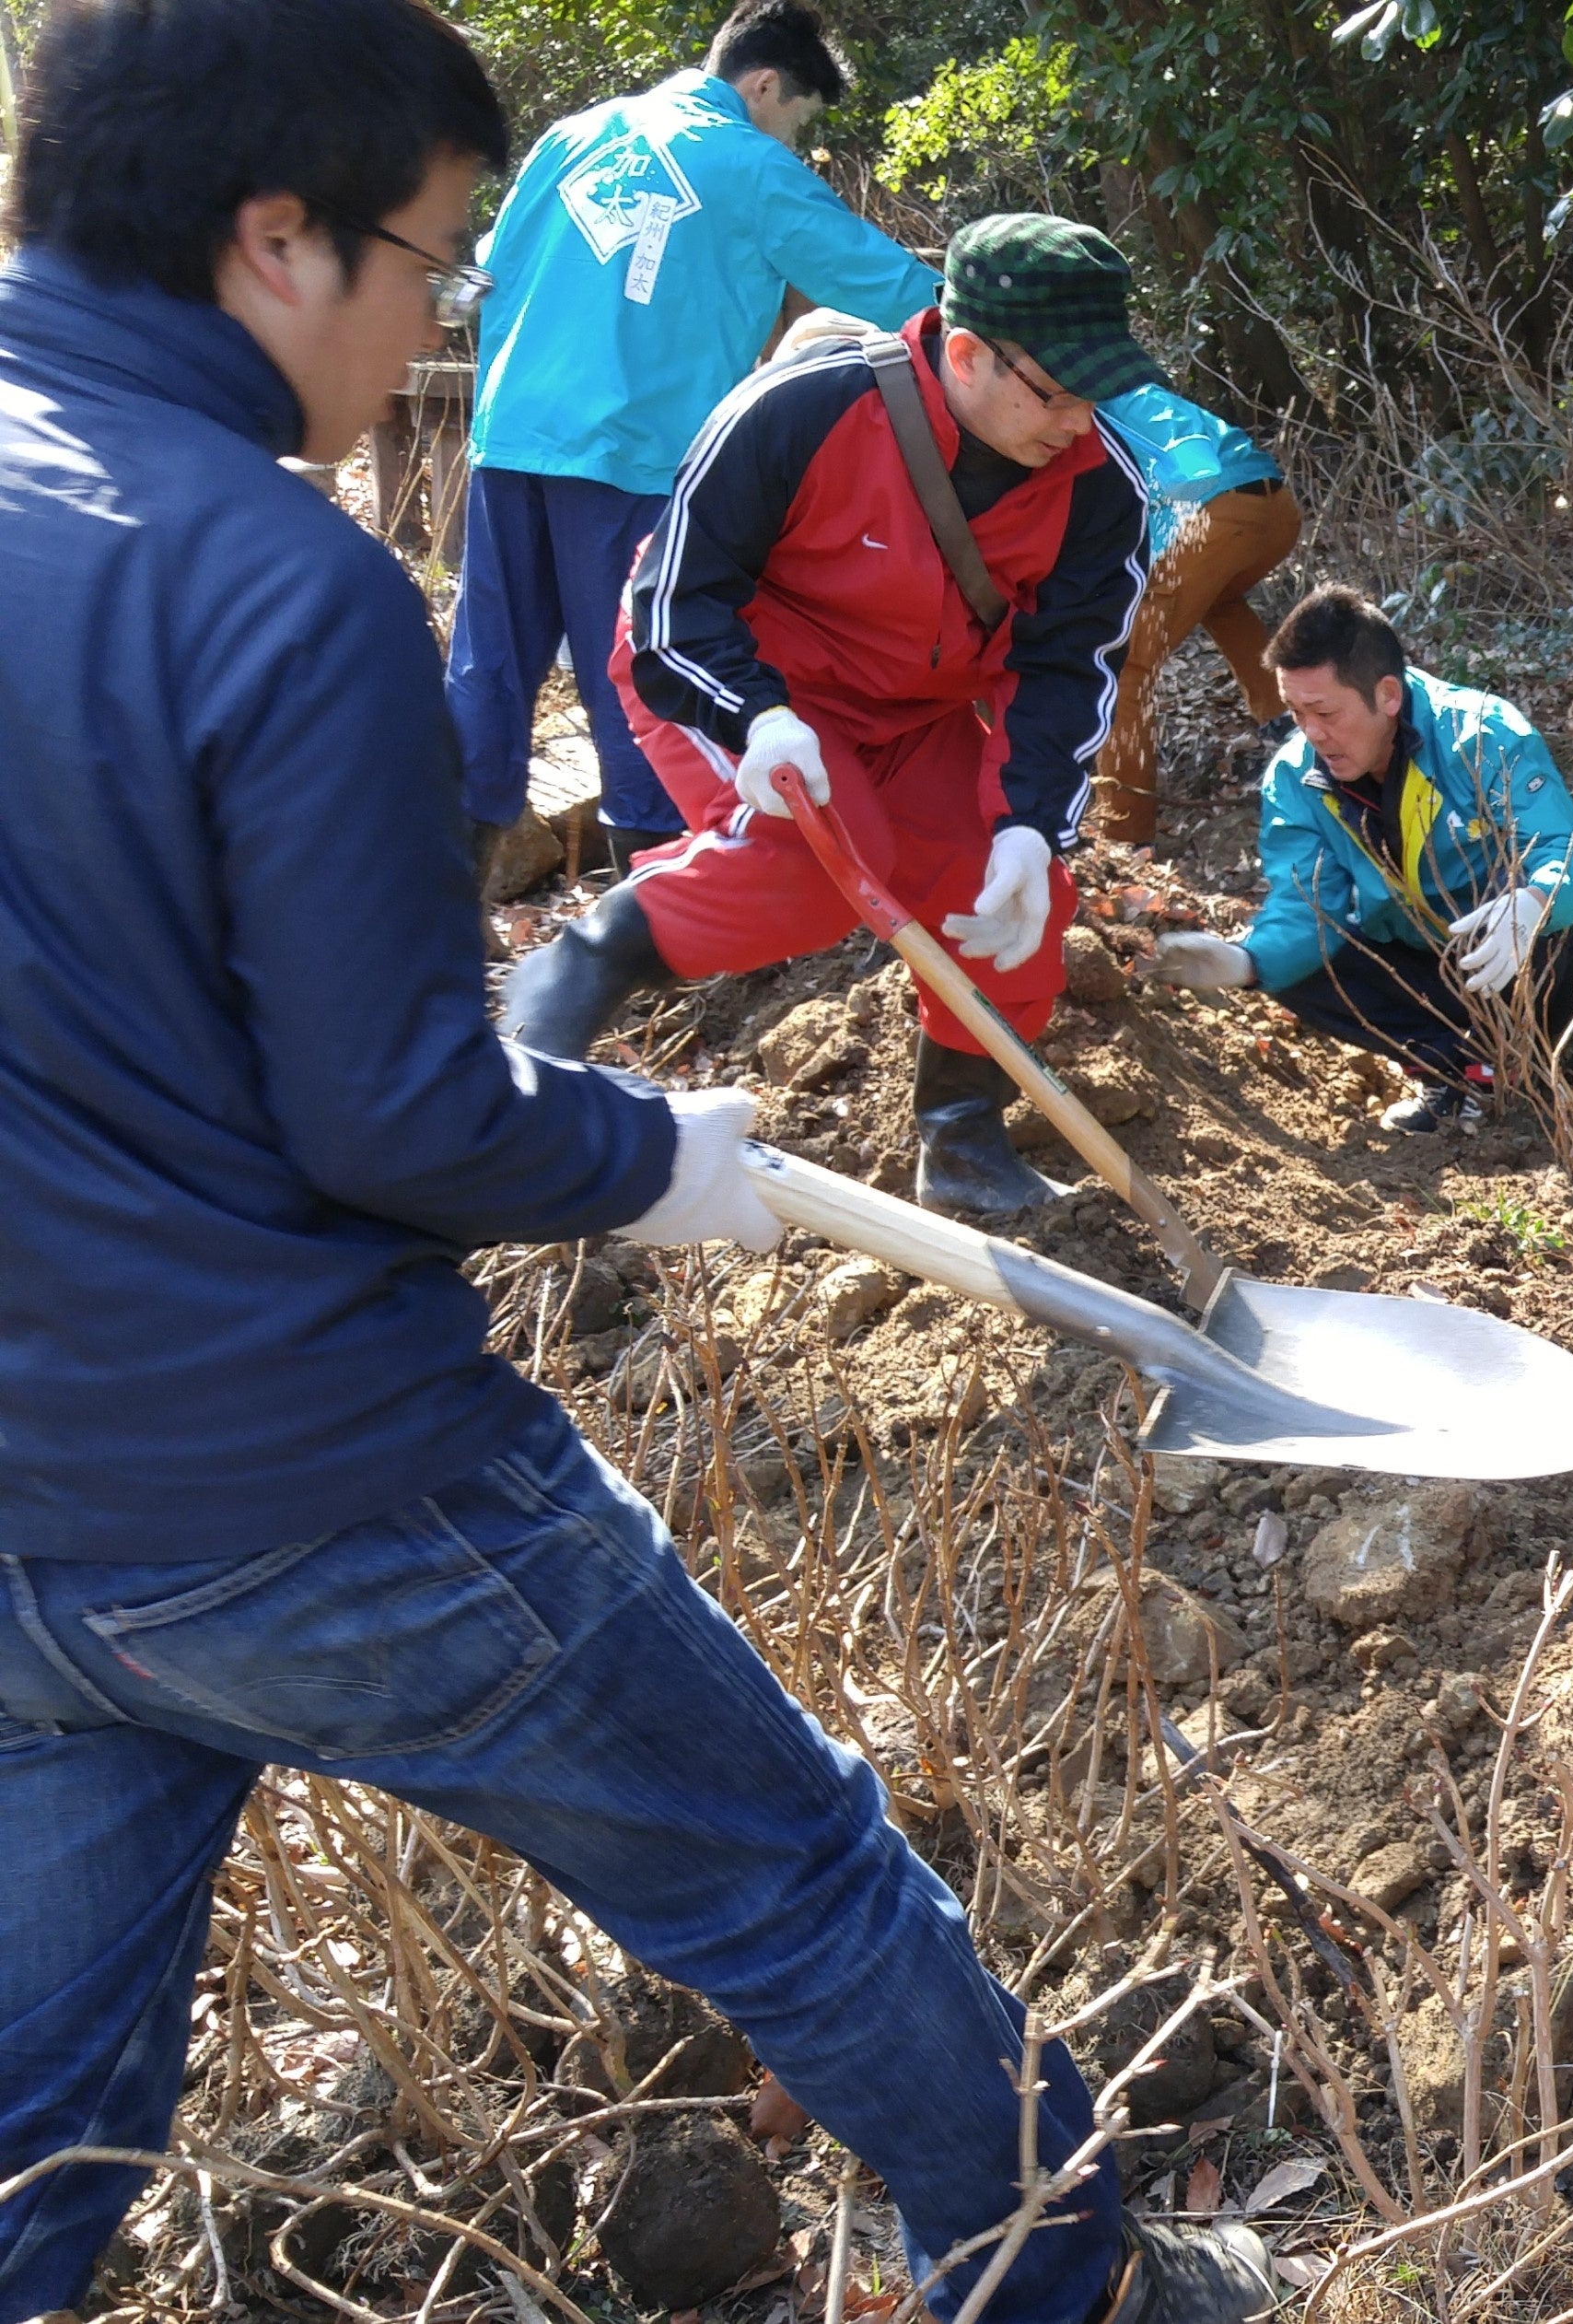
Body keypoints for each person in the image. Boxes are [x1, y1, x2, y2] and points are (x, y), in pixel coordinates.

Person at [0, 10, 1259, 2324]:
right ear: (276, 241)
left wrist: (1009, 828)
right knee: (797, 1876)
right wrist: (642, 1155)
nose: (444, 333)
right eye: (434, 263)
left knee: (32, 2130)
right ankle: (1071, 2285)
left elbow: (1064, 674)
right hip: (310, 1482)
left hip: (30, 1532)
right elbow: (400, 1124)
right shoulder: (277, 585)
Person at [498, 214, 1158, 1217]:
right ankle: (579, 966)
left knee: (1013, 897)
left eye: (1095, 395)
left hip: (914, 711)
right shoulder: (801, 411)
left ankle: (962, 1139)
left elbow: (1065, 669)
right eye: (1058, 394)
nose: (1079, 423)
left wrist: (1030, 825)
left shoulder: (1101, 492)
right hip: (737, 683)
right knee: (817, 864)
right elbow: (675, 606)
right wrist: (758, 718)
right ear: (967, 352)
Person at [446, 0, 941, 867]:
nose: (794, 142)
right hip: (634, 450)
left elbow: (488, 265)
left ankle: (441, 889)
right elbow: (882, 282)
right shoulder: (750, 165)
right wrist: (995, 319)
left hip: (512, 435)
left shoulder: (577, 131)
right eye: (798, 121)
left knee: (490, 662)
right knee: (638, 670)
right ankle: (648, 911)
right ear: (763, 84)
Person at [1142, 586, 1573, 1134]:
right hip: (1425, 969)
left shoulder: (1481, 734)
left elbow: (1571, 853)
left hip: (1529, 961)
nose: (1312, 733)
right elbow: (1307, 904)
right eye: (1296, 714)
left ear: (1387, 695)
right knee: (1295, 962)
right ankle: (1454, 1070)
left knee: (1563, 919)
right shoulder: (1295, 779)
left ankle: (1529, 1058)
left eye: (1325, 712)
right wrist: (1245, 963)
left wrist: (1533, 901)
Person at [1088, 378, 1299, 844]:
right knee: (1219, 602)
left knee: (1127, 666)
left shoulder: (1116, 398)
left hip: (1220, 513)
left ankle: (1124, 834)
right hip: (1276, 509)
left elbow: (1186, 456)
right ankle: (1286, 721)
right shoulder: (1123, 400)